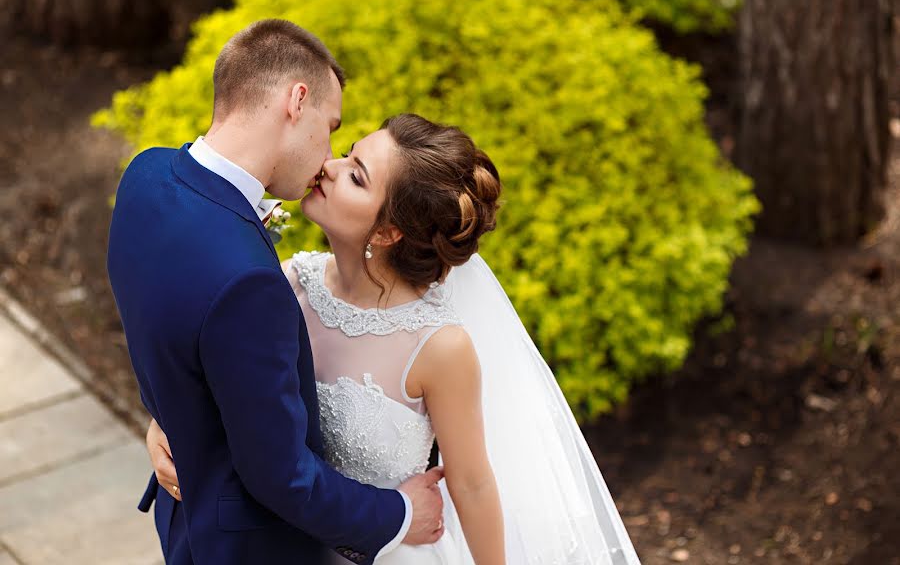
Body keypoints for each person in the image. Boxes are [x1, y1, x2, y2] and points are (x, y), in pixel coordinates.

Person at [147, 112, 643, 564]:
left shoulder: (438, 347)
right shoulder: (288, 283)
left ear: (386, 233)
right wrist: (163, 426)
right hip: (279, 547)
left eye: (356, 176)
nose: (329, 166)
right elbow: (218, 381)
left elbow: (470, 484)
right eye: (347, 154)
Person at [107, 20, 446, 565]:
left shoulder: (144, 176)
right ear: (297, 101)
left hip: (185, 516)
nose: (328, 155)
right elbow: (280, 474)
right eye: (331, 127)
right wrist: (400, 514)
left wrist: (170, 415)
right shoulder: (248, 282)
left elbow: (174, 333)